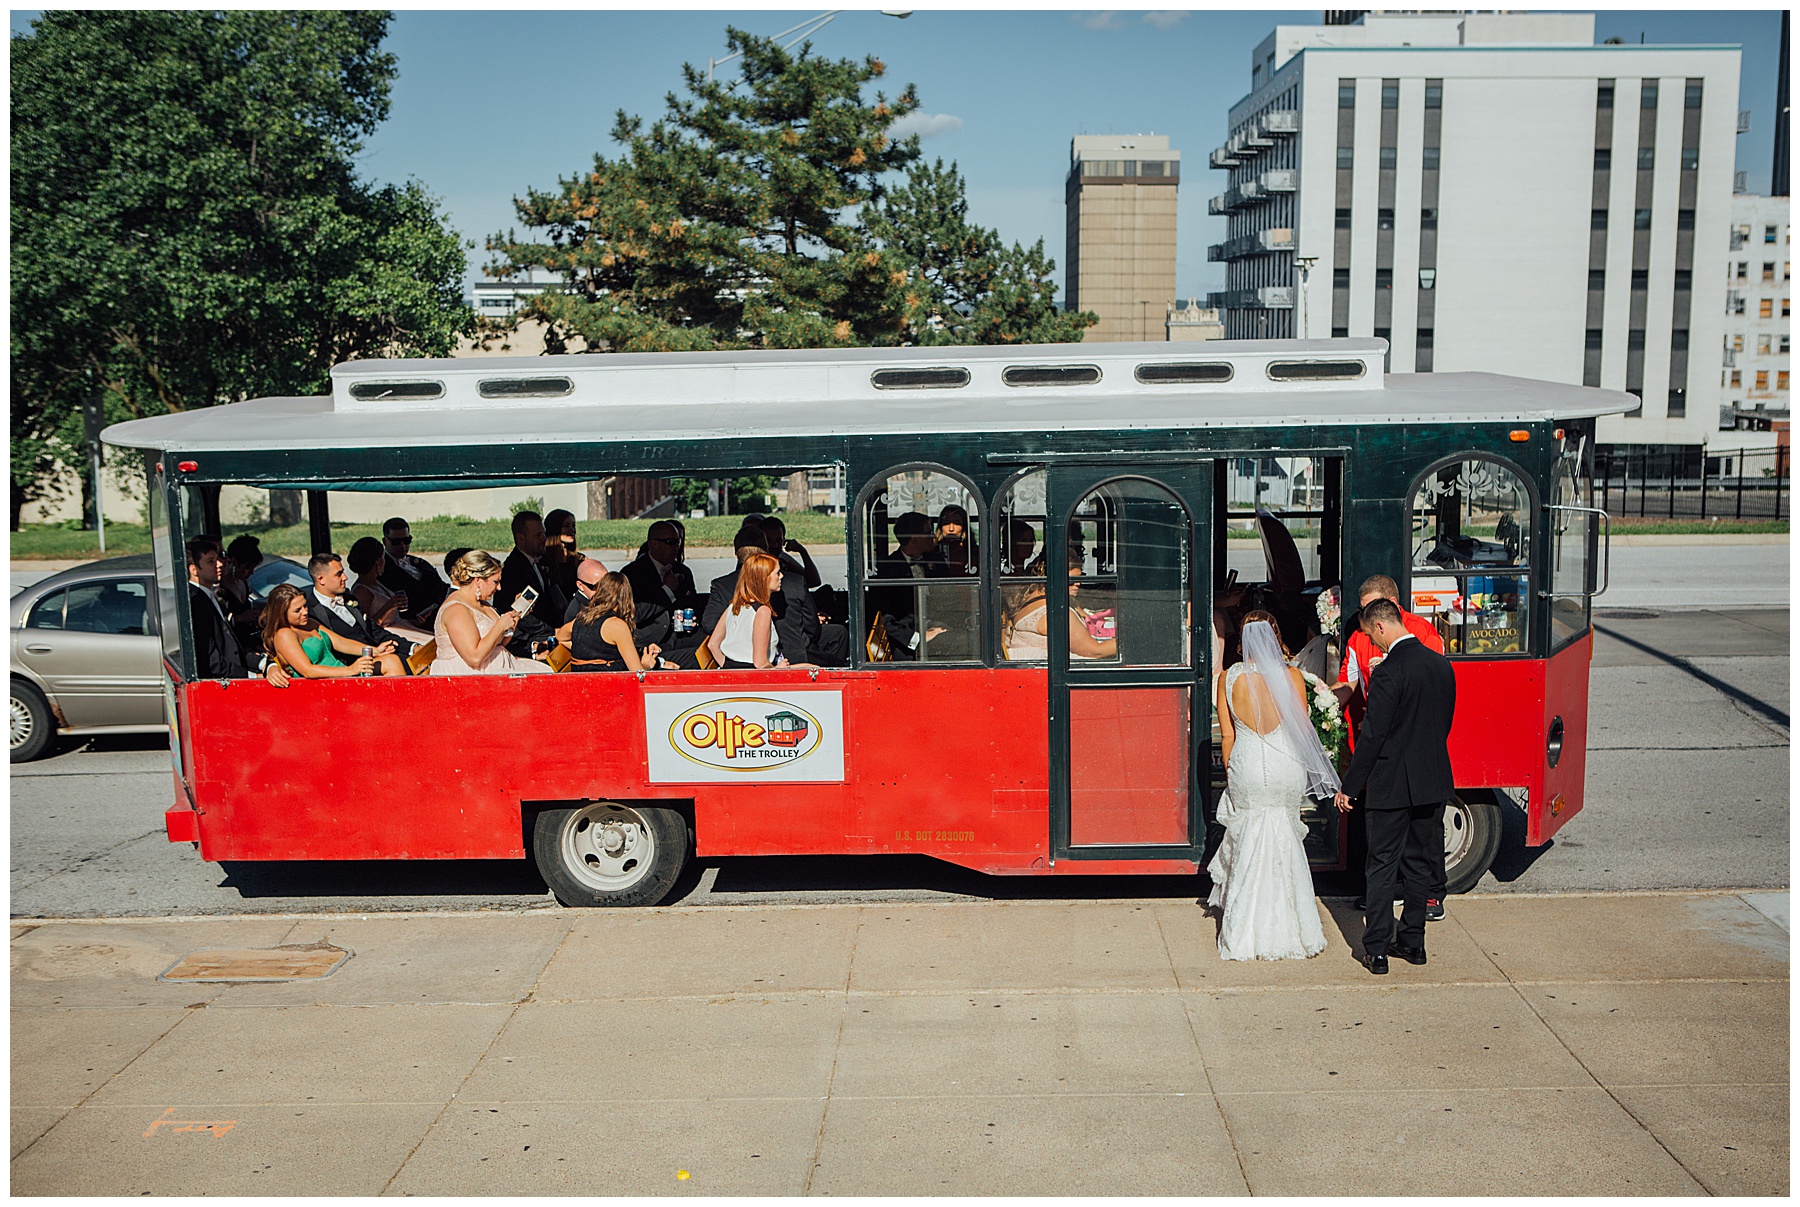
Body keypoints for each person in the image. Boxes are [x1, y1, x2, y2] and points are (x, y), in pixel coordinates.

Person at [1333, 598, 1457, 975]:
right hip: (1432, 780)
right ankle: (1414, 942)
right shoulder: (1440, 665)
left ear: (1381, 627)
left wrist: (1349, 787)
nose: (1375, 643)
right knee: (1420, 865)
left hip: (1391, 786)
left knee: (1383, 866)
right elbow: (1443, 723)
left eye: (1372, 635)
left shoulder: (1388, 673)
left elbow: (1373, 737)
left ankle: (1378, 949)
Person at [1205, 612, 1338, 962]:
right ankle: (1293, 925)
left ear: (1243, 640)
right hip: (1284, 765)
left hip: (1247, 763)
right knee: (1283, 840)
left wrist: (1234, 773)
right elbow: (1302, 728)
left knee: (1249, 839)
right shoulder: (1291, 676)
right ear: (1276, 636)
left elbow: (1228, 735)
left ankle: (1243, 933)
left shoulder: (1227, 679)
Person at [186, 537, 290, 686]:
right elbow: (211, 660)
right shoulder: (196, 603)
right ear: (194, 570)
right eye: (211, 562)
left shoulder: (209, 597)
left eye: (218, 559)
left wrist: (265, 664)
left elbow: (232, 646)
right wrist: (252, 676)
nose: (220, 564)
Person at [432, 550, 553, 676]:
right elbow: (474, 657)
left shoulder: (481, 603)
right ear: (478, 580)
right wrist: (500, 626)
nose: (499, 587)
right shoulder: (456, 610)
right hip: (470, 676)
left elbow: (499, 642)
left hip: (497, 667)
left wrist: (516, 615)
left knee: (548, 673)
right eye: (495, 582)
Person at [261, 584, 404, 678]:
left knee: (392, 661)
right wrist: (350, 670)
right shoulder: (284, 634)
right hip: (325, 686)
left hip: (342, 675)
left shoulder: (310, 623)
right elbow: (307, 670)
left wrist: (376, 650)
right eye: (297, 610)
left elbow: (342, 643)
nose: (304, 612)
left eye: (305, 606)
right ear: (281, 613)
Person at [761, 514, 849, 667]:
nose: (775, 545)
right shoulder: (757, 568)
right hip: (787, 637)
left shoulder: (783, 559)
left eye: (779, 541)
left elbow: (814, 581)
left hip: (800, 624)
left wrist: (802, 551)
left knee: (839, 632)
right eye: (770, 540)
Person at [1000, 550, 1117, 661]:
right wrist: (1130, 642)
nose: (1078, 584)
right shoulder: (1058, 614)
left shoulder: (1032, 597)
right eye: (1071, 579)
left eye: (1080, 578)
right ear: (1055, 577)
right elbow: (1096, 651)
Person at [304, 552, 416, 666]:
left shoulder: (350, 599)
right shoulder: (310, 611)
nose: (345, 577)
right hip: (352, 667)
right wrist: (375, 652)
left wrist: (411, 647)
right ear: (321, 579)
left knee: (420, 662)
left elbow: (375, 632)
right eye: (339, 574)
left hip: (379, 654)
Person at [867, 511, 947, 660]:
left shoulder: (937, 562)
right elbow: (884, 617)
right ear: (914, 539)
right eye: (928, 533)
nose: (934, 537)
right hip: (906, 640)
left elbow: (947, 597)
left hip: (939, 628)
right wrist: (917, 639)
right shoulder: (888, 569)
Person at [622, 520, 704, 661]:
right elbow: (634, 614)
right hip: (648, 642)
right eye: (670, 542)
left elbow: (691, 603)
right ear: (653, 544)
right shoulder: (633, 573)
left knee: (711, 642)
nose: (676, 547)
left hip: (679, 635)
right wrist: (667, 591)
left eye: (678, 542)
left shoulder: (683, 571)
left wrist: (691, 620)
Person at [495, 510, 569, 646]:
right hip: (528, 642)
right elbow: (521, 614)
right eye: (538, 535)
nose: (544, 539)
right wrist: (552, 631)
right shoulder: (514, 570)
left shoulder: (535, 562)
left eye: (544, 534)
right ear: (521, 538)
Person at [706, 550, 790, 669]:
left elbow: (713, 644)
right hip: (752, 676)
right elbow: (761, 663)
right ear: (764, 578)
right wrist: (778, 669)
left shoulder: (734, 605)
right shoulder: (763, 612)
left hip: (731, 671)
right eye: (777, 573)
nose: (781, 576)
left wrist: (727, 667)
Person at [568, 572, 663, 672]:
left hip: (580, 683)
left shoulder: (583, 618)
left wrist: (586, 651)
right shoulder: (617, 625)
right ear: (626, 598)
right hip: (608, 683)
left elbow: (561, 637)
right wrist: (646, 664)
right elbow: (638, 673)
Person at [701, 527, 773, 638]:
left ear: (736, 553)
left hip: (737, 651)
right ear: (767, 550)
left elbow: (710, 624)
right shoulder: (786, 583)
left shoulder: (722, 586)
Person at [378, 517, 450, 624]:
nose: (402, 546)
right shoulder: (383, 570)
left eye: (406, 541)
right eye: (396, 542)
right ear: (385, 541)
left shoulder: (416, 561)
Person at [346, 537, 409, 629]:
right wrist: (389, 606)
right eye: (383, 557)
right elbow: (366, 626)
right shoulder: (361, 591)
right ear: (377, 562)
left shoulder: (376, 583)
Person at [542, 508, 582, 601]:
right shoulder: (543, 561)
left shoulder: (580, 559)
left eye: (573, 525)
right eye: (566, 526)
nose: (572, 530)